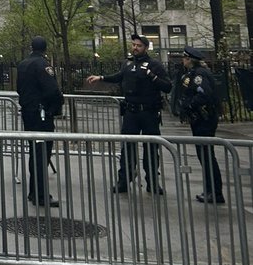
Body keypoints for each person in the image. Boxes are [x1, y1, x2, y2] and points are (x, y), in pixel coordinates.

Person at [88, 34, 171, 194]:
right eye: (133, 45)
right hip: (131, 113)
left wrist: (152, 76)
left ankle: (153, 182)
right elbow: (119, 77)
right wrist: (101, 77)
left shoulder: (155, 65)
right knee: (127, 148)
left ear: (145, 48)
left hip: (149, 112)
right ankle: (124, 181)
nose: (135, 48)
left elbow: (168, 86)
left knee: (151, 149)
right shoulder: (128, 63)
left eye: (138, 46)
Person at [16, 36, 63, 207]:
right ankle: (41, 195)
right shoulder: (43, 65)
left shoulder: (23, 64)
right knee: (42, 154)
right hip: (41, 114)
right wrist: (56, 106)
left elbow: (19, 88)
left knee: (34, 153)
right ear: (45, 48)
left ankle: (34, 191)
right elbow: (52, 90)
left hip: (29, 112)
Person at [176, 47, 224, 204]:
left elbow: (204, 94)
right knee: (204, 155)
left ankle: (215, 192)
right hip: (200, 120)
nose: (183, 60)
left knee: (206, 155)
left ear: (189, 59)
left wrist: (189, 105)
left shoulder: (199, 74)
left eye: (184, 58)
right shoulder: (195, 73)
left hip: (204, 119)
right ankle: (210, 190)